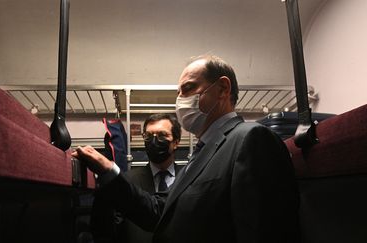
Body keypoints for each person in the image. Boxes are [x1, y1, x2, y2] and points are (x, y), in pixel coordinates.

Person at [74, 55, 299, 243]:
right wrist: (109, 171)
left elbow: (266, 231)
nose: (180, 100)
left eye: (189, 88)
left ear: (222, 88)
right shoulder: (202, 153)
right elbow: (160, 212)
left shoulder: (251, 139)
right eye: (179, 93)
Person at [91, 113, 183, 243]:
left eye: (162, 135)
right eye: (148, 136)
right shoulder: (127, 180)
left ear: (176, 142)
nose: (154, 141)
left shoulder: (189, 178)